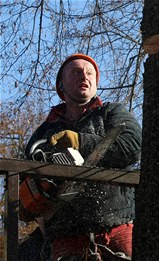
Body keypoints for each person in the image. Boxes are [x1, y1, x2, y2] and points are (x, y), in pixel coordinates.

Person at [19, 53, 142, 260]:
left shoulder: (111, 113)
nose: (84, 76)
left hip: (115, 225)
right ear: (61, 85)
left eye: (89, 73)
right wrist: (28, 201)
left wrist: (80, 141)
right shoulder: (44, 133)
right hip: (66, 235)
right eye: (76, 72)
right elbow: (23, 179)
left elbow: (132, 146)